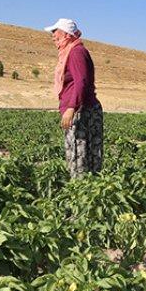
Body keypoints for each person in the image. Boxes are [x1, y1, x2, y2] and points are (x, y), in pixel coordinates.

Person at [47, 18, 102, 177]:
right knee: (81, 155)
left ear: (66, 34)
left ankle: (82, 192)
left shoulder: (76, 52)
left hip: (81, 111)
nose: (53, 36)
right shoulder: (70, 51)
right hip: (79, 109)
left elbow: (81, 82)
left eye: (55, 32)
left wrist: (71, 107)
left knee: (79, 157)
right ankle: (85, 190)